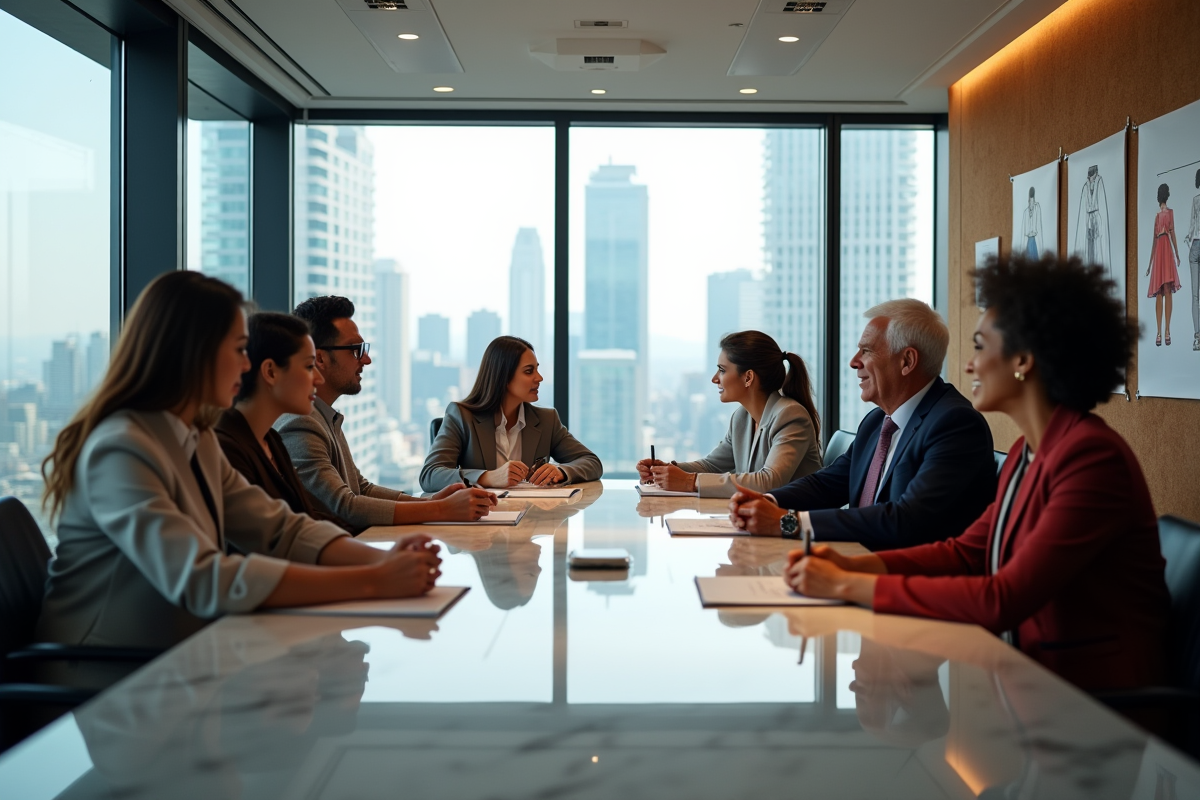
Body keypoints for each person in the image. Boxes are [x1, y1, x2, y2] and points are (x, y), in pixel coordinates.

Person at [784, 255, 1169, 692]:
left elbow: (1001, 598)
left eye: (981, 347)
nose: (968, 366)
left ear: (1023, 359)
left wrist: (851, 583)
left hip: (1095, 702)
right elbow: (967, 552)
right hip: (1025, 680)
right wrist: (861, 566)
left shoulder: (1091, 458)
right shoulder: (1031, 449)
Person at [36, 272, 443, 652]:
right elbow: (201, 577)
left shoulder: (194, 438)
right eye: (236, 350)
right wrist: (372, 580)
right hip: (106, 679)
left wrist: (385, 560)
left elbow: (279, 528)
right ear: (192, 353)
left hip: (181, 657)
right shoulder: (121, 448)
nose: (246, 364)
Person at [728, 298, 996, 551]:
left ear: (907, 361)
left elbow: (908, 519)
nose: (854, 361)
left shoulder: (955, 424)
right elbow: (828, 484)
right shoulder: (878, 421)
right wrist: (768, 501)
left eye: (866, 351)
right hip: (855, 563)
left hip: (903, 580)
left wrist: (788, 522)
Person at [277, 296, 495, 528]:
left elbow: (361, 488)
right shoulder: (301, 423)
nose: (366, 359)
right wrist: (442, 509)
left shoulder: (324, 416)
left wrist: (429, 501)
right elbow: (346, 507)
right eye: (355, 350)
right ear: (319, 358)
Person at [635, 330, 823, 498]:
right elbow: (711, 466)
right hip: (757, 520)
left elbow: (769, 482)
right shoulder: (742, 417)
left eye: (722, 370)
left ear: (748, 377)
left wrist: (688, 482)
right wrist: (668, 470)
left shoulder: (790, 415)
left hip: (794, 525)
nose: (715, 378)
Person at [420, 336, 602, 491]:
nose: (539, 378)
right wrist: (487, 477)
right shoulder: (461, 416)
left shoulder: (546, 420)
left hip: (530, 521)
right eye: (529, 371)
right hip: (479, 523)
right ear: (504, 377)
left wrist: (563, 471)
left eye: (537, 369)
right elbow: (430, 475)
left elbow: (591, 462)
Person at [1146, 182, 1181, 346]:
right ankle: (1166, 331)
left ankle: (1160, 332)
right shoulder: (1169, 213)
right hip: (1165, 248)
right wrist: (1177, 253)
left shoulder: (1157, 215)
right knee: (1166, 291)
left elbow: (1154, 240)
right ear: (1167, 195)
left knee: (1160, 292)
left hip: (1161, 249)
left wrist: (1150, 263)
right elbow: (1172, 234)